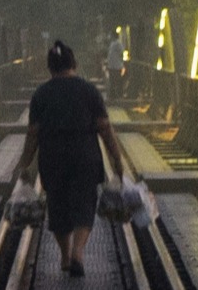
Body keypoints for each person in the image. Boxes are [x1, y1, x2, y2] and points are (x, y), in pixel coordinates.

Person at [15, 38, 130, 276]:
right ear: (73, 64)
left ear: (50, 67)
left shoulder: (41, 95)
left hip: (53, 159)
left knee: (58, 206)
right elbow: (105, 128)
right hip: (85, 156)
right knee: (84, 206)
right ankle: (78, 252)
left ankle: (65, 257)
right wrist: (117, 160)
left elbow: (33, 134)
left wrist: (24, 163)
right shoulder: (88, 91)